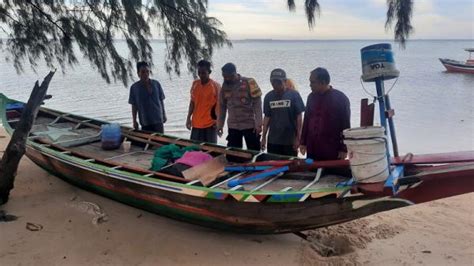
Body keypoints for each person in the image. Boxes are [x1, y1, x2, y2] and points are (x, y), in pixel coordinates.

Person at [300, 67, 351, 161]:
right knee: (312, 172)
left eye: (312, 82)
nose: (310, 85)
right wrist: (303, 142)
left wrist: (344, 148)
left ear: (323, 82)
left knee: (331, 174)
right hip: (312, 148)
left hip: (332, 148)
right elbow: (307, 119)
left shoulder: (340, 98)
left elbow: (346, 125)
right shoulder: (311, 97)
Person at [217, 63, 263, 151]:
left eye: (228, 76)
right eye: (224, 76)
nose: (226, 79)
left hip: (249, 124)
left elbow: (257, 104)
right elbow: (222, 106)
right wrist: (220, 125)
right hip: (233, 125)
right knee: (233, 154)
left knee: (254, 152)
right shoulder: (225, 85)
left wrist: (259, 124)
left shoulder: (249, 82)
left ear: (234, 73)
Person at [261, 68, 305, 156]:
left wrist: (298, 138)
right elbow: (266, 118)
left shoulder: (294, 95)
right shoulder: (268, 97)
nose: (275, 85)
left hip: (289, 141)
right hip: (273, 140)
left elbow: (299, 118)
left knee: (290, 166)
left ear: (285, 81)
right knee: (273, 163)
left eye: (278, 82)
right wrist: (263, 137)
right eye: (273, 82)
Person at [185, 60, 221, 143]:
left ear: (209, 72)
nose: (201, 75)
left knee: (211, 150)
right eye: (199, 73)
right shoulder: (195, 84)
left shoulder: (216, 86)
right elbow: (192, 102)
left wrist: (218, 121)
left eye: (204, 73)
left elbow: (220, 105)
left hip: (210, 124)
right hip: (196, 123)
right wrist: (188, 118)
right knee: (194, 149)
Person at [128, 61, 167, 133]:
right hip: (145, 121)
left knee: (161, 142)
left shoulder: (156, 84)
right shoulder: (134, 88)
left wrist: (164, 115)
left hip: (158, 120)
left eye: (147, 71)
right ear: (138, 73)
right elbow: (134, 105)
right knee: (147, 142)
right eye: (143, 72)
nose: (145, 74)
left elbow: (161, 100)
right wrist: (134, 121)